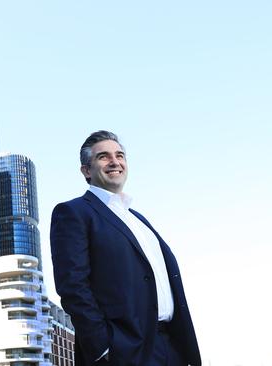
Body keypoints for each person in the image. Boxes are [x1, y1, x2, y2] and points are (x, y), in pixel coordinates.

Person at [50, 131, 201, 366]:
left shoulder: (138, 219)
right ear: (86, 171)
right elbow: (73, 285)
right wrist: (102, 348)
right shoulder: (74, 212)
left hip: (172, 347)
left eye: (120, 155)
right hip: (125, 351)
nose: (114, 161)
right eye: (103, 156)